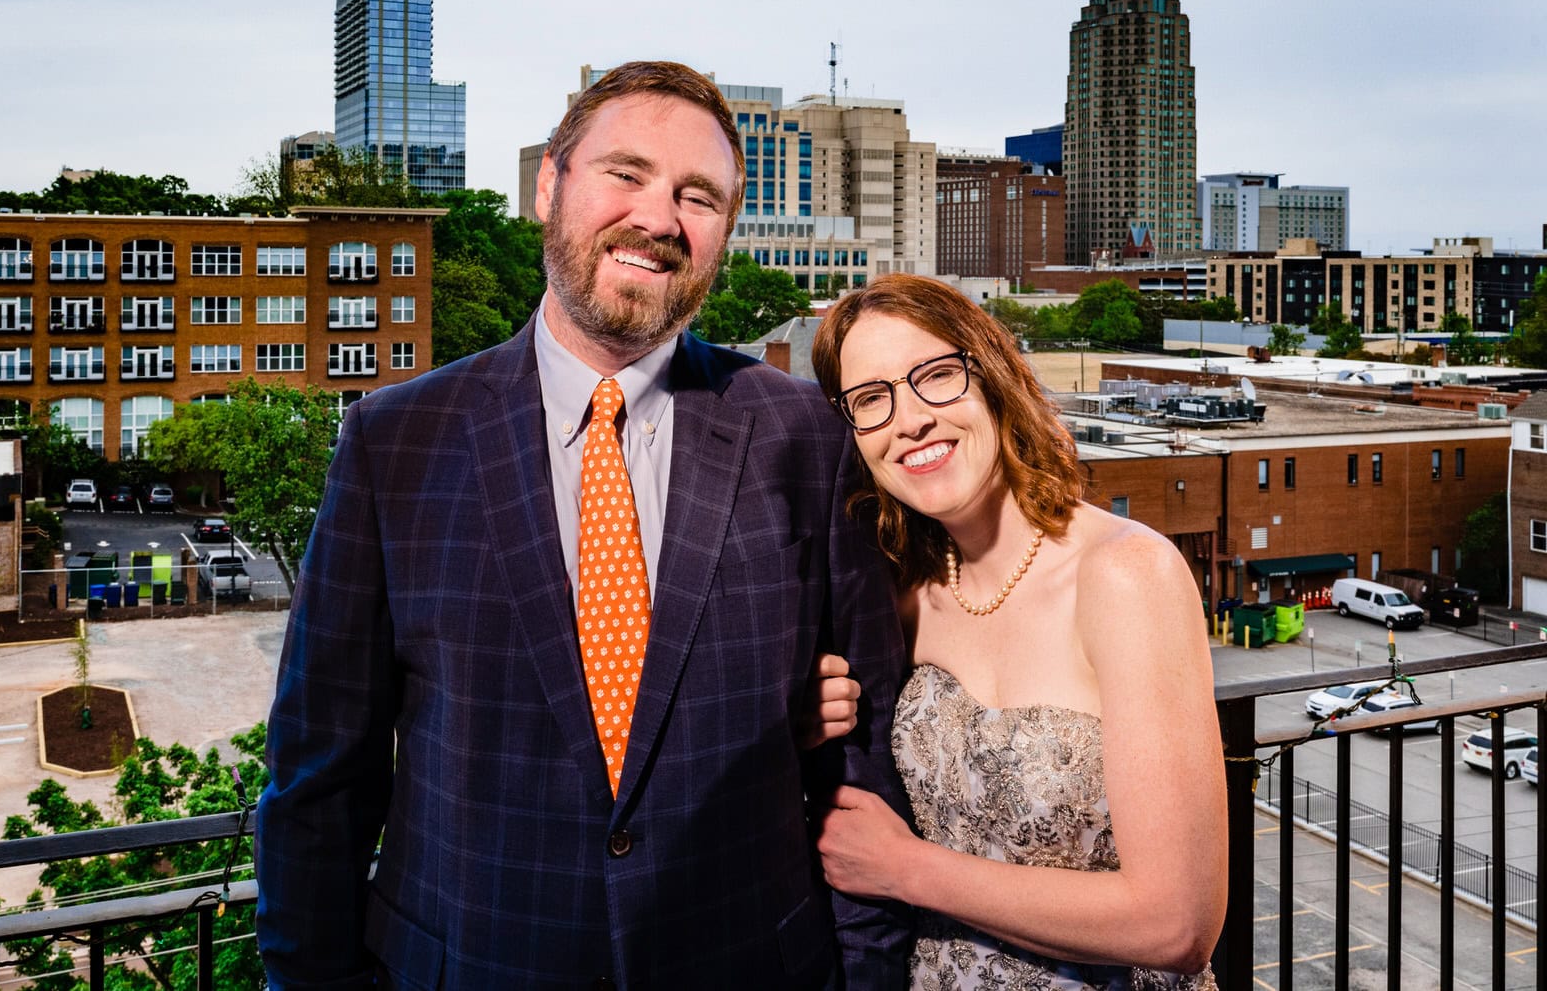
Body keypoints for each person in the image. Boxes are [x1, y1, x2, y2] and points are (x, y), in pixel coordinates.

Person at [255, 61, 912, 989]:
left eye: (699, 196)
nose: (658, 217)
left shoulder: (802, 433)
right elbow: (319, 787)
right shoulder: (394, 442)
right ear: (547, 186)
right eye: (627, 173)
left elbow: (867, 767)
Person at [806, 274, 1226, 989]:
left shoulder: (1127, 576)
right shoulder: (900, 594)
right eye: (872, 399)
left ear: (992, 378)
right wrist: (803, 725)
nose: (909, 419)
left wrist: (909, 868)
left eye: (935, 376)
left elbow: (1177, 923)